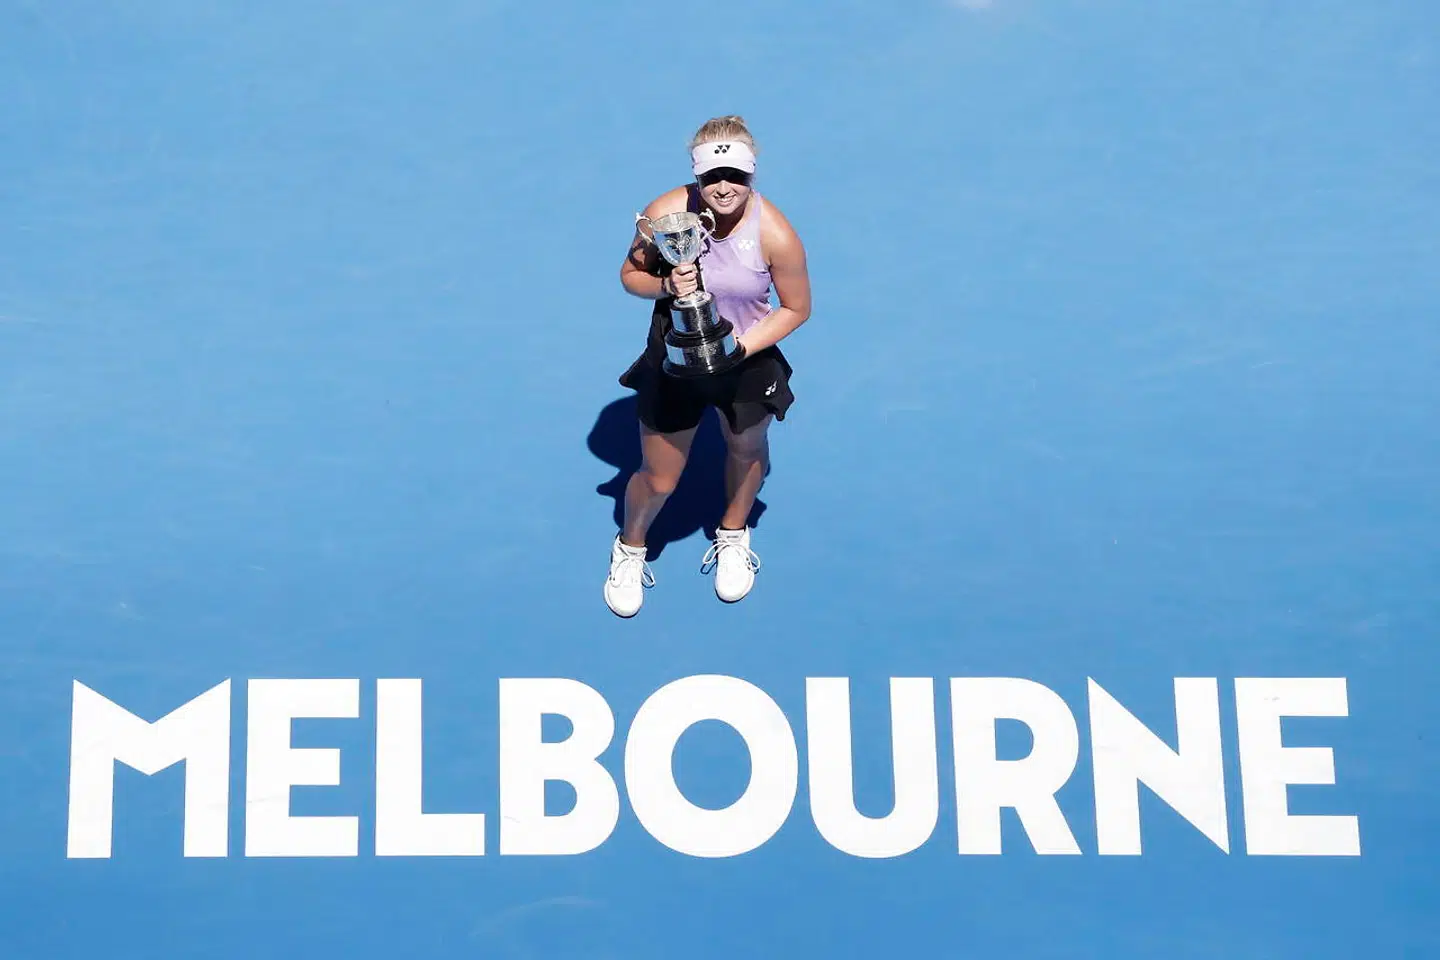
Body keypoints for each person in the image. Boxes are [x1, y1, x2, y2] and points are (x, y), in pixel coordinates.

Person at [604, 115, 812, 618]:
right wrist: (665, 287)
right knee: (659, 479)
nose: (724, 188)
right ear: (697, 176)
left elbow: (796, 308)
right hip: (675, 356)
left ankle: (734, 533)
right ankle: (630, 548)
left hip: (746, 355)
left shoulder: (776, 234)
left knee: (746, 448)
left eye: (736, 177)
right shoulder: (666, 214)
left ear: (752, 175)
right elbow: (631, 274)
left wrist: (739, 349)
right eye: (712, 177)